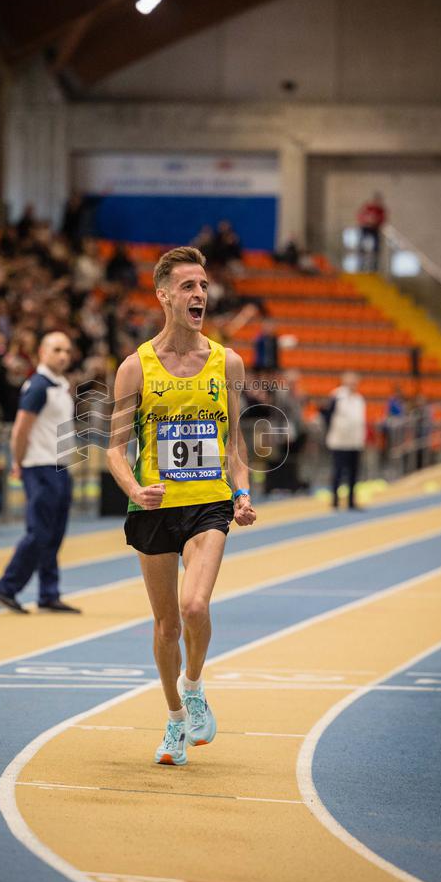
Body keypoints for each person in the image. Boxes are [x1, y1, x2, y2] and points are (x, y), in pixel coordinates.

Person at [106, 246, 256, 767]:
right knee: (167, 625)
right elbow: (113, 449)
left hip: (208, 505)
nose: (200, 294)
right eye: (189, 286)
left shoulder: (227, 362)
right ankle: (174, 720)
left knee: (195, 606)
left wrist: (240, 492)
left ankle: (193, 684)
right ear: (164, 295)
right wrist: (133, 490)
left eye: (204, 285)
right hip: (153, 509)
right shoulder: (135, 368)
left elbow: (234, 443)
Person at [0, 332, 81, 614]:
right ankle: (6, 587)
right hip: (39, 465)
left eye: (67, 350)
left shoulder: (60, 386)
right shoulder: (37, 387)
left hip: (60, 465)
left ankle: (48, 593)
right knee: (39, 532)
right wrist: (18, 461)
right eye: (57, 350)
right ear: (42, 352)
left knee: (55, 533)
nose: (63, 355)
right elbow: (20, 429)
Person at [323, 372, 366, 510]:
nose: (353, 384)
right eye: (350, 381)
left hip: (355, 442)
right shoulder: (337, 396)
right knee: (338, 471)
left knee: (354, 473)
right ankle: (335, 500)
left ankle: (351, 501)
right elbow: (328, 416)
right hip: (340, 441)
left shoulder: (359, 399)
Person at [357, 192, 387, 269]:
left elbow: (382, 219)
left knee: (376, 248)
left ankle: (374, 266)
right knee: (362, 246)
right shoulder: (368, 207)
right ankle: (361, 265)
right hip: (366, 228)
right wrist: (366, 221)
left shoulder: (380, 210)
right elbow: (360, 216)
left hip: (375, 229)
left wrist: (375, 222)